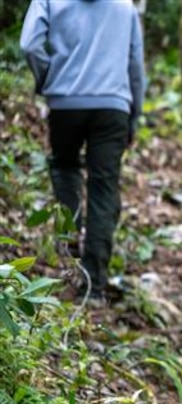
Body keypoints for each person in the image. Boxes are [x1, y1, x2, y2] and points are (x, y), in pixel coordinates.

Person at [20, 0, 146, 305]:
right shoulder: (124, 6)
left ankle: (69, 242)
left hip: (66, 103)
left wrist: (48, 80)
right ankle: (94, 287)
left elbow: (29, 44)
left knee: (64, 166)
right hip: (112, 107)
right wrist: (134, 115)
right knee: (103, 187)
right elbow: (135, 66)